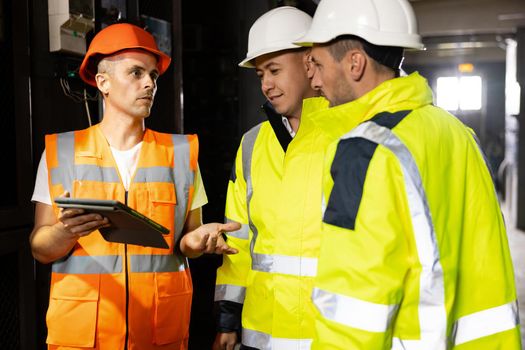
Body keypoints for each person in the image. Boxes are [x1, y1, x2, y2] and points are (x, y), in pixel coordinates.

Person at [293, 0, 522, 348]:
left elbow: (355, 305)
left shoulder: (365, 150)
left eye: (319, 63)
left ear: (355, 63)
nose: (313, 77)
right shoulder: (457, 132)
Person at [29, 23, 239, 350]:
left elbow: (188, 243)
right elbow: (40, 248)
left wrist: (199, 241)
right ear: (103, 82)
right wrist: (65, 232)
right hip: (85, 337)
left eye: (153, 76)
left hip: (158, 334)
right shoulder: (61, 153)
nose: (149, 84)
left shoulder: (181, 155)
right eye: (136, 73)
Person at [211, 6, 349, 350]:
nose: (266, 85)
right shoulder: (252, 144)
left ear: (309, 63)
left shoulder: (351, 136)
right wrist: (228, 319)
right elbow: (238, 239)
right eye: (260, 75)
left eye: (273, 70)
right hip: (261, 335)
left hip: (328, 337)